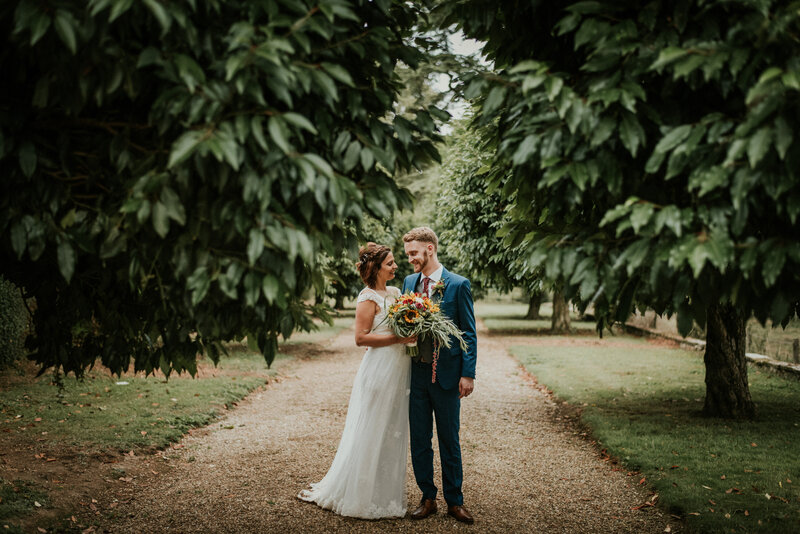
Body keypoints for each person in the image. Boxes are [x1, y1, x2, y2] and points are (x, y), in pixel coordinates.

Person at [297, 242, 415, 519]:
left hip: (399, 367)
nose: (396, 266)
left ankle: (383, 493)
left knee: (391, 430)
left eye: (395, 262)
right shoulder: (367, 298)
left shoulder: (397, 293)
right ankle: (361, 496)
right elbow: (360, 338)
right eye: (390, 263)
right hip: (379, 368)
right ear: (375, 268)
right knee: (372, 428)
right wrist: (398, 338)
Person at [402, 227, 477, 524]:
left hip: (446, 376)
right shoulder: (409, 282)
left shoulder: (458, 285)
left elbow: (468, 333)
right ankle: (427, 497)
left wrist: (467, 374)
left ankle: (455, 501)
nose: (410, 259)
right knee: (419, 439)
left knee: (449, 439)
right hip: (417, 374)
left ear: (430, 249)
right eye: (408, 254)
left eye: (414, 254)